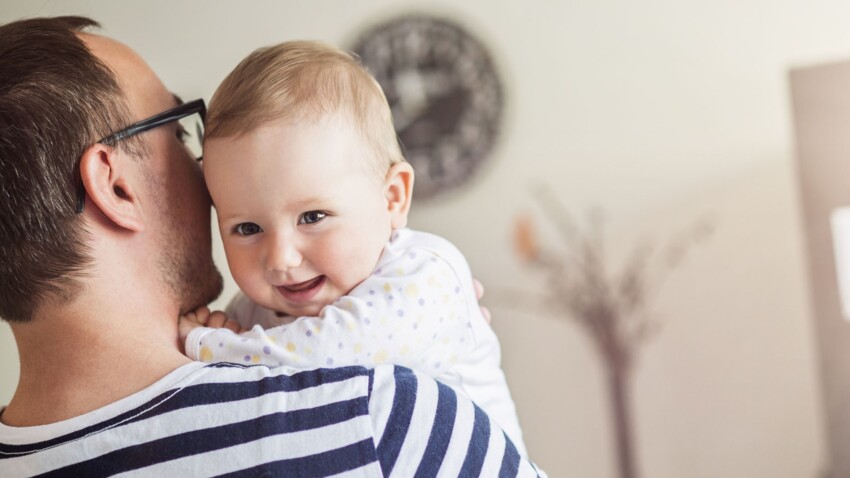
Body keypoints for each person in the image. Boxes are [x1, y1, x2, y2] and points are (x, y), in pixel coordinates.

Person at [0, 16, 544, 477]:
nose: (282, 256)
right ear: (116, 186)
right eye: (180, 133)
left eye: (312, 216)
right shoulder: (380, 423)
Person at [177, 40, 527, 455]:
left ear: (393, 198)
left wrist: (207, 347)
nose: (281, 259)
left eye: (312, 217)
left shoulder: (427, 274)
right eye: (248, 227)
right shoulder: (251, 314)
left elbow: (327, 356)